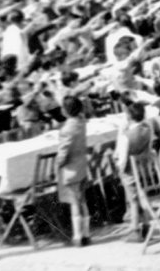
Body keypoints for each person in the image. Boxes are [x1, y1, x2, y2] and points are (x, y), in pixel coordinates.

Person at [115, 101, 155, 242]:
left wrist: (119, 170)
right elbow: (149, 148)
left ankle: (135, 229)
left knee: (133, 200)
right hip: (143, 169)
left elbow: (123, 159)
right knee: (142, 196)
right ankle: (146, 225)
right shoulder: (147, 129)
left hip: (130, 171)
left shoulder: (126, 136)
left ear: (128, 116)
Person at [56, 95, 90, 247]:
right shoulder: (81, 123)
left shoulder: (66, 129)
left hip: (71, 168)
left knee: (74, 202)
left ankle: (77, 236)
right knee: (82, 200)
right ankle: (87, 234)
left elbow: (63, 152)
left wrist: (58, 164)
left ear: (66, 111)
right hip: (82, 164)